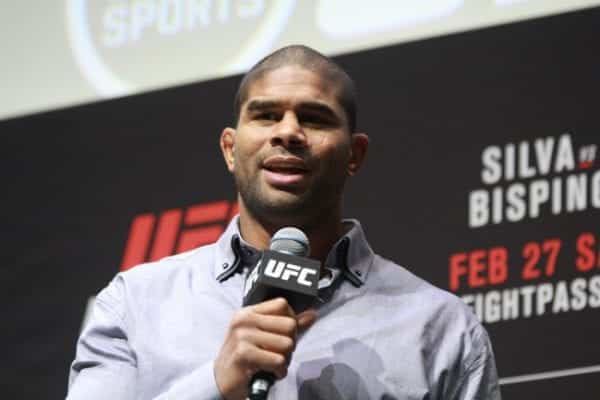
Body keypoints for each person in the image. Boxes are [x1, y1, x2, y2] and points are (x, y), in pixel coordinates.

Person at [68, 45, 501, 400]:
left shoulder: (440, 326)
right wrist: (215, 385)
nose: (288, 132)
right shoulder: (135, 305)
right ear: (230, 149)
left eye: (314, 117)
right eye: (266, 115)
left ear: (355, 154)